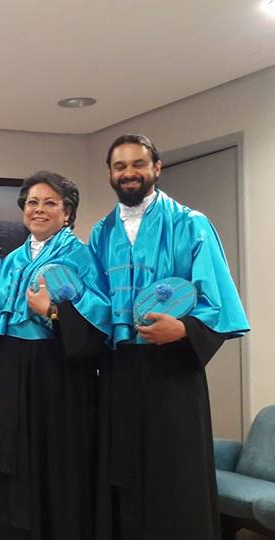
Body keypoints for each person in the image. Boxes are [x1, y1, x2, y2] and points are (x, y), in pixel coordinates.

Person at [91, 134, 250, 540]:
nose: (129, 173)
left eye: (138, 164)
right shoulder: (100, 233)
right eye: (120, 166)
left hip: (173, 369)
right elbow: (94, 302)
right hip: (118, 371)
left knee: (175, 477)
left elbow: (216, 299)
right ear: (109, 173)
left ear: (156, 168)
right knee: (123, 475)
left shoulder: (191, 224)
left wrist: (183, 329)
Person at [0, 171, 111, 540]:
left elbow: (100, 316)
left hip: (58, 367)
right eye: (32, 202)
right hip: (11, 364)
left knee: (55, 456)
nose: (39, 209)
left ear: (67, 213)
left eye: (50, 203)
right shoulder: (13, 259)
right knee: (11, 453)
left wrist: (53, 311)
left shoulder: (80, 254)